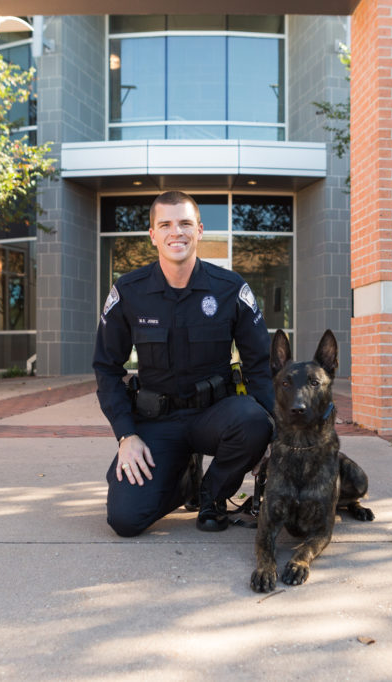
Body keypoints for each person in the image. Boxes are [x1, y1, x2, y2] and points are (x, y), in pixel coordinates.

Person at [93, 191, 275, 537]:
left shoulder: (230, 289)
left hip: (216, 416)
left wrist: (274, 434)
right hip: (156, 422)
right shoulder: (129, 291)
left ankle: (212, 495)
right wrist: (126, 435)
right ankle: (184, 480)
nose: (176, 232)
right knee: (126, 520)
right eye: (165, 224)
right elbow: (106, 367)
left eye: (185, 224)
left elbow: (260, 366)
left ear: (200, 231)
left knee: (253, 422)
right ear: (152, 235)